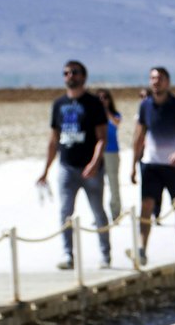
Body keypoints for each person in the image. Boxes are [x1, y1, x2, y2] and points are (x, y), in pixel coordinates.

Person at [38, 59, 110, 272]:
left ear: (83, 77)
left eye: (75, 73)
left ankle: (105, 254)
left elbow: (102, 138)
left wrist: (95, 163)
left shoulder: (93, 103)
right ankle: (68, 254)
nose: (70, 76)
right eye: (67, 73)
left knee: (97, 211)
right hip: (67, 166)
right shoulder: (58, 105)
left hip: (91, 168)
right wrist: (45, 171)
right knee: (65, 211)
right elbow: (53, 139)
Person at [131, 66, 175, 267]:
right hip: (151, 164)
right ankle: (141, 249)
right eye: (152, 78)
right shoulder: (145, 106)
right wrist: (133, 164)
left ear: (167, 81)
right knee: (146, 205)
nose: (156, 82)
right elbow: (139, 136)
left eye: (160, 78)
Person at [97, 88, 124, 222]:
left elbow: (116, 123)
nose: (102, 100)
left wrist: (105, 111)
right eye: (100, 98)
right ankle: (99, 215)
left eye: (105, 97)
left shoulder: (115, 114)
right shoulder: (93, 115)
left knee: (113, 184)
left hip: (112, 152)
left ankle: (116, 212)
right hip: (97, 153)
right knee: (97, 185)